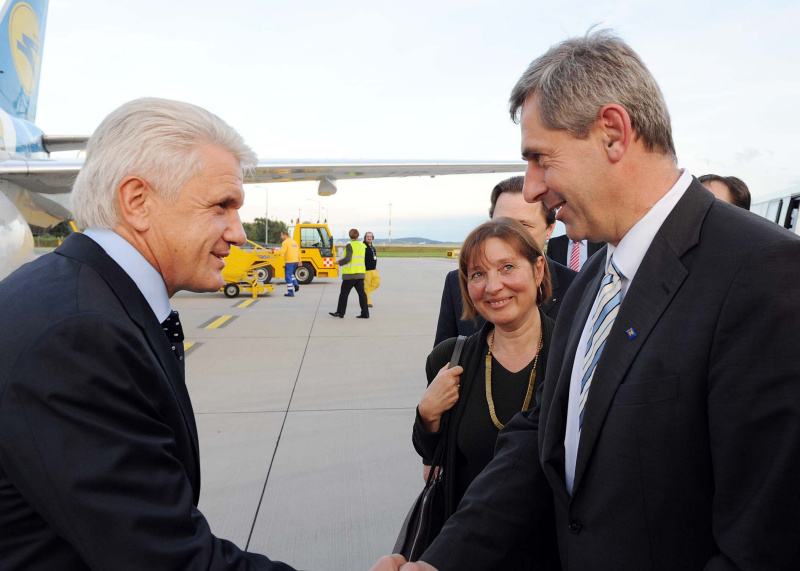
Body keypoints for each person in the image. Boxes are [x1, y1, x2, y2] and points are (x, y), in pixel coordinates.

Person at [373, 30, 800, 571]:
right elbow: (539, 440)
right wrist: (438, 562)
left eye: (540, 159)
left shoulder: (763, 273)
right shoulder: (595, 276)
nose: (530, 189)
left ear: (613, 134)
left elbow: (764, 543)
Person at [0, 98, 295, 570]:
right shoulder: (80, 335)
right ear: (137, 202)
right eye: (221, 206)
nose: (239, 234)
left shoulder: (77, 296)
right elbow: (163, 558)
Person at [413, 217, 559, 569]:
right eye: (478, 274)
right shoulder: (449, 359)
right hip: (468, 553)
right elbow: (436, 461)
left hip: (553, 551)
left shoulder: (573, 355)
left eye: (507, 267)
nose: (493, 286)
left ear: (538, 269)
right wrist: (426, 417)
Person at [434, 175, 577, 346]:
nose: (509, 236)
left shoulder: (577, 288)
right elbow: (443, 358)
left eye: (523, 226)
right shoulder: (458, 282)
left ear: (549, 229)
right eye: (503, 224)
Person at [329, 228, 369, 318]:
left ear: (350, 236)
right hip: (360, 274)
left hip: (350, 275)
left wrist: (339, 262)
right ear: (358, 235)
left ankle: (340, 312)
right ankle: (365, 313)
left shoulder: (349, 245)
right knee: (362, 294)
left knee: (344, 294)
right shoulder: (362, 245)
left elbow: (348, 258)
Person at [280, 229, 302, 297]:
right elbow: (298, 252)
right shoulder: (294, 242)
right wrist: (299, 260)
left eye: (281, 235)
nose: (281, 237)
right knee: (291, 274)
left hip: (289, 261)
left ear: (284, 235)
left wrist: (273, 252)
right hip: (295, 261)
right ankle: (295, 284)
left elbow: (283, 251)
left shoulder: (285, 242)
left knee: (287, 277)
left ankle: (290, 292)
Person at [363, 231, 380, 307]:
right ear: (365, 237)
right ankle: (367, 302)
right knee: (366, 286)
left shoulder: (372, 245)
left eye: (370, 236)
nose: (369, 238)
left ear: (372, 237)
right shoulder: (363, 246)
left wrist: (375, 267)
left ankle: (364, 294)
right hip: (367, 270)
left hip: (373, 269)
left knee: (377, 283)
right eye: (367, 236)